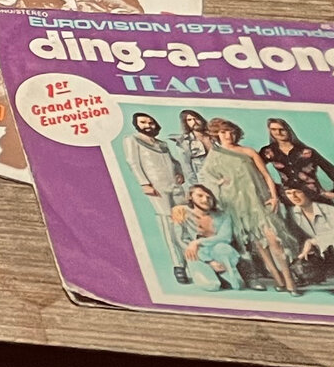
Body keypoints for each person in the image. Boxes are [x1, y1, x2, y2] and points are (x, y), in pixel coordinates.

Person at [200, 117, 297, 294]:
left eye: (231, 132)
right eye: (223, 132)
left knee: (274, 241)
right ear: (216, 134)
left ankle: (290, 282)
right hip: (236, 205)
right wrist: (219, 182)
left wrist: (274, 197)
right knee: (259, 246)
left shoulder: (248, 152)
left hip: (260, 201)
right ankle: (278, 280)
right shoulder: (214, 156)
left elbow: (266, 175)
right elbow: (205, 177)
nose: (228, 135)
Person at [126, 111, 197, 283]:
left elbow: (173, 161)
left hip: (174, 185)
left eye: (150, 122)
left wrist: (179, 172)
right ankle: (178, 265)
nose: (147, 125)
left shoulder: (162, 144)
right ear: (137, 124)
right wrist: (144, 183)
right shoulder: (133, 140)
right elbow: (133, 162)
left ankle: (195, 263)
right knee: (168, 224)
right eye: (143, 122)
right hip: (157, 187)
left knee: (184, 220)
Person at [174, 185, 247, 291]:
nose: (205, 200)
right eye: (200, 196)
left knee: (223, 248)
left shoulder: (223, 216)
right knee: (211, 286)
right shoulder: (182, 213)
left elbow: (225, 237)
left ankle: (227, 276)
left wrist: (198, 242)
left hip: (219, 253)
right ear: (190, 197)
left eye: (209, 197)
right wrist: (209, 262)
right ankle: (213, 276)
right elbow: (181, 240)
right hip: (198, 255)